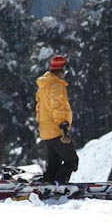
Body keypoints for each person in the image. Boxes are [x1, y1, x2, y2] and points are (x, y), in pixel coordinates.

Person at [35, 55, 79, 183]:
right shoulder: (56, 85)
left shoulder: (44, 86)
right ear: (62, 69)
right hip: (57, 130)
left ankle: (49, 185)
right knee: (72, 160)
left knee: (53, 165)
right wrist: (63, 124)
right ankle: (60, 185)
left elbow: (39, 108)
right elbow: (57, 106)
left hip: (47, 131)